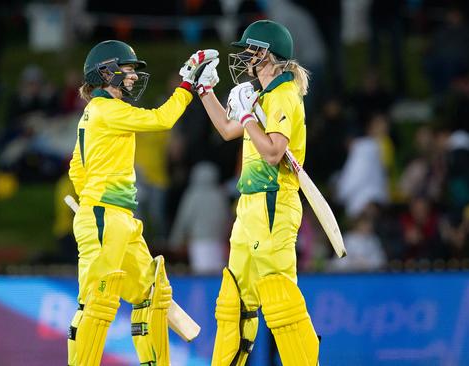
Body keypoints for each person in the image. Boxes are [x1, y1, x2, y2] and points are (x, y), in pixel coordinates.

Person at [66, 40, 216, 366]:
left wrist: (92, 198)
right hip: (105, 217)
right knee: (98, 301)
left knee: (152, 293)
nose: (133, 76)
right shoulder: (108, 109)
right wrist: (186, 86)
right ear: (105, 72)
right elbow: (162, 120)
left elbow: (77, 168)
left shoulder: (95, 113)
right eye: (128, 68)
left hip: (117, 218)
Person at [194, 20, 320, 365]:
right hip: (249, 207)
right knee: (233, 302)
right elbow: (226, 129)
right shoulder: (263, 96)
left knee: (280, 299)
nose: (246, 57)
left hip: (273, 203)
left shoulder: (283, 96)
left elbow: (274, 152)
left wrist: (249, 115)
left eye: (252, 50)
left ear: (270, 55)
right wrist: (204, 91)